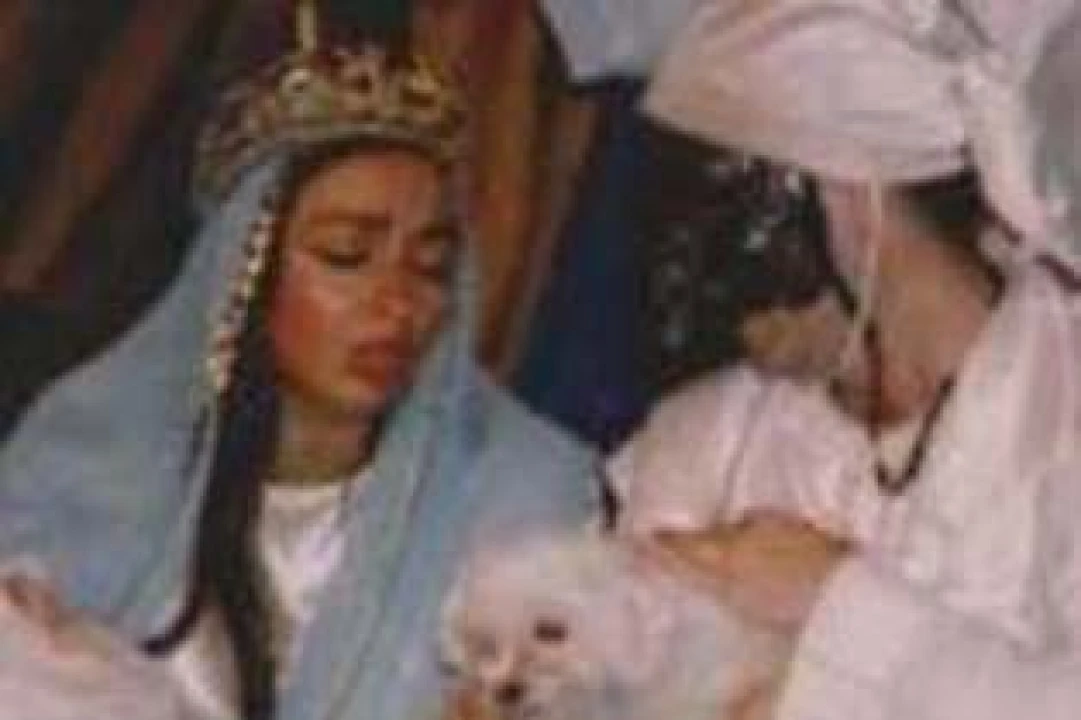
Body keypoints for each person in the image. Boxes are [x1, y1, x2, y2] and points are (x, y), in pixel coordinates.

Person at [0, 9, 596, 720]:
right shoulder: (89, 462)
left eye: (431, 266)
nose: (396, 303)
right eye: (347, 254)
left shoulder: (523, 493)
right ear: (245, 273)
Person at [546, 1, 1081, 719]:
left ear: (849, 194)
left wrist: (838, 605)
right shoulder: (711, 435)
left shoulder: (1059, 420)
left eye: (719, 207)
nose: (681, 275)